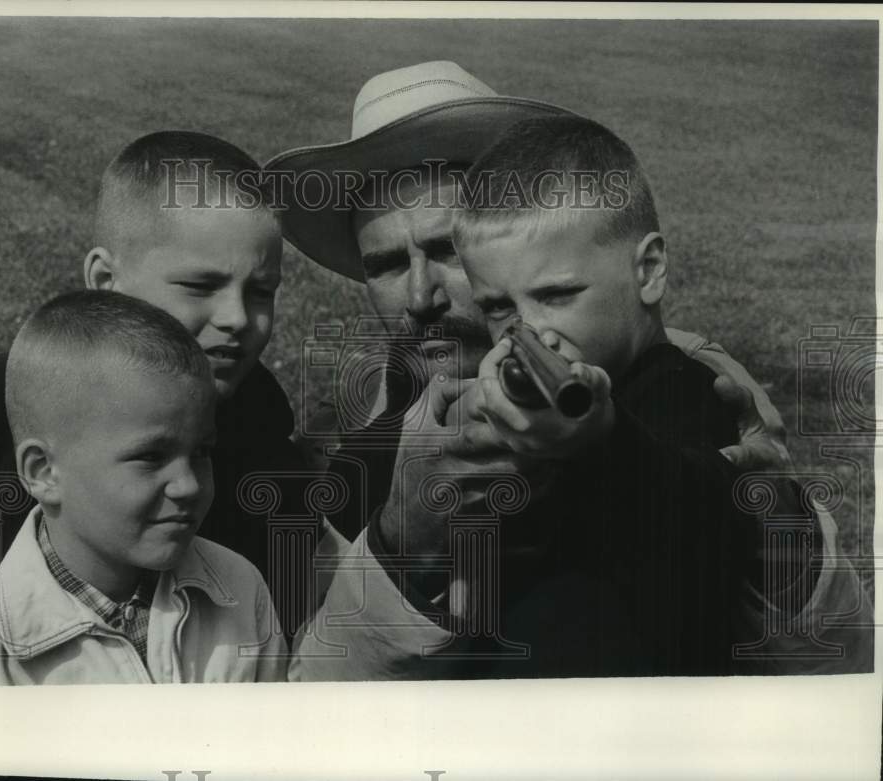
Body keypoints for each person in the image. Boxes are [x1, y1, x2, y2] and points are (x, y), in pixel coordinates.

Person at [270, 62, 872, 679]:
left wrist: (782, 545)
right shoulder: (356, 437)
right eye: (387, 265)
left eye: (447, 251)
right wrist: (399, 540)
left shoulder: (695, 387)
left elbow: (838, 669)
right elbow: (310, 692)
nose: (421, 296)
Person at [0, 131, 328, 671]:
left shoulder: (265, 440)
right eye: (200, 285)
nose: (239, 318)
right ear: (106, 280)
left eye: (261, 290)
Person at [0, 291, 287, 685]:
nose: (189, 484)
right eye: (151, 457)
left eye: (202, 451)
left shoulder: (239, 588)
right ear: (43, 471)